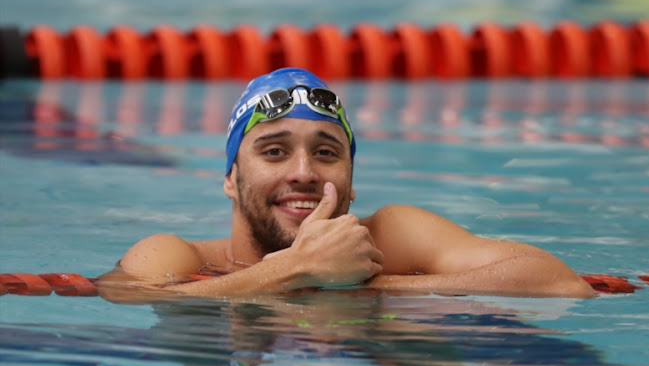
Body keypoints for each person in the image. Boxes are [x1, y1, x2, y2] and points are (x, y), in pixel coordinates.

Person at [98, 67, 595, 301]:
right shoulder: (178, 256)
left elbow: (559, 283)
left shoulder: (391, 236)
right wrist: (299, 269)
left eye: (326, 153)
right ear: (230, 178)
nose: (304, 172)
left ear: (351, 184)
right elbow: (127, 295)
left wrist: (373, 286)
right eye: (274, 150)